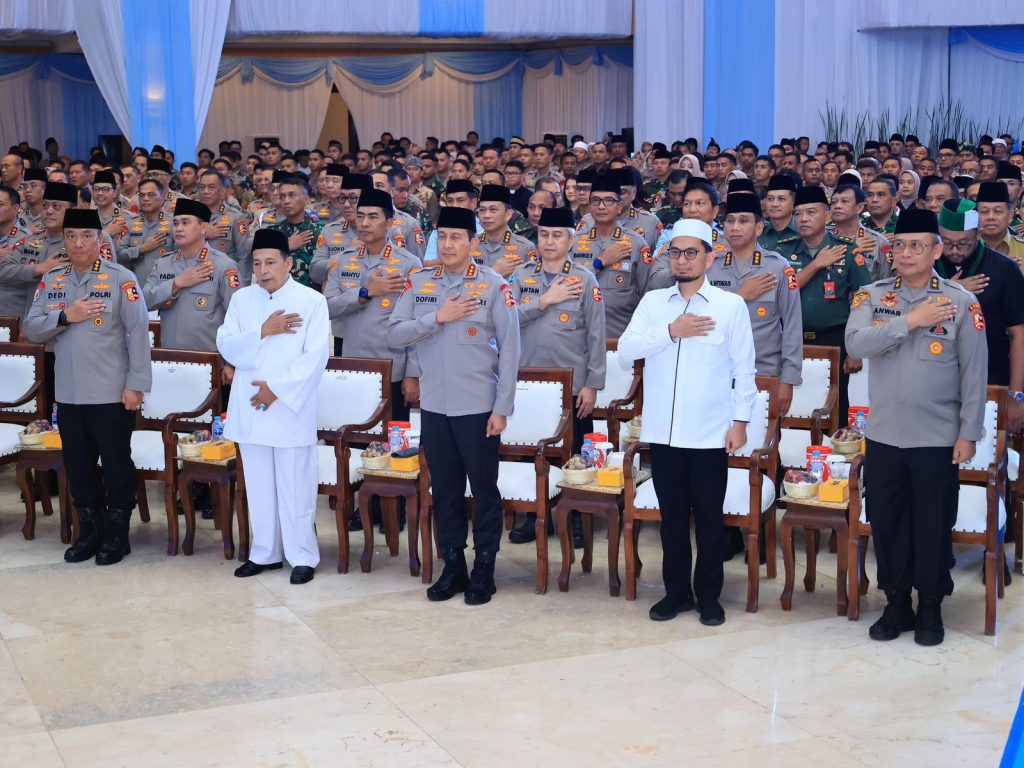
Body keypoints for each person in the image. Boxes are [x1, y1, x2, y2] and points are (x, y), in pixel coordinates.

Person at [845, 208, 987, 646]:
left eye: (917, 246)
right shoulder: (870, 296)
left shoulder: (961, 302)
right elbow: (855, 344)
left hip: (938, 438)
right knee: (888, 523)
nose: (906, 253)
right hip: (885, 435)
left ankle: (930, 606)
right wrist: (910, 321)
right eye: (900, 245)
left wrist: (968, 432)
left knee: (932, 524)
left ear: (937, 250)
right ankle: (896, 604)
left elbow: (974, 373)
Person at [619, 218, 757, 627]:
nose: (682, 260)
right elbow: (626, 351)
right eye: (676, 252)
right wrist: (670, 331)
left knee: (711, 522)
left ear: (709, 258)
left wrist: (740, 421)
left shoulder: (729, 306)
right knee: (672, 521)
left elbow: (744, 370)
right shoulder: (653, 304)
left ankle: (709, 597)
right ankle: (676, 592)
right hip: (663, 433)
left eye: (691, 252)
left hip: (710, 433)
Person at [387, 207, 520, 605]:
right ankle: (454, 566)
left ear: (473, 243)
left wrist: (502, 408)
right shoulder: (420, 282)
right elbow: (395, 333)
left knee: (483, 490)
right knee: (444, 490)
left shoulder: (495, 286)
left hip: (479, 407)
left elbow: (511, 350)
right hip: (434, 407)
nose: (447, 244)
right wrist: (437, 318)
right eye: (442, 236)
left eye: (456, 237)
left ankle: (485, 567)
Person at [24, 208, 152, 565]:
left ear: (100, 239)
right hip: (68, 393)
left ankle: (117, 534)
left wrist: (136, 385)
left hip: (111, 392)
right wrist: (66, 316)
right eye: (71, 236)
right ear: (63, 240)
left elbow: (139, 332)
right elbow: (31, 328)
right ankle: (90, 532)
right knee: (78, 467)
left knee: (116, 464)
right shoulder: (53, 280)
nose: (78, 243)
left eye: (86, 236)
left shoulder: (121, 278)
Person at [217, 228, 330, 585]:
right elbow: (226, 344)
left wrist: (276, 390)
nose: (263, 270)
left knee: (296, 487)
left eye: (270, 262)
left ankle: (302, 556)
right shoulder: (242, 299)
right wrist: (263, 330)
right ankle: (264, 553)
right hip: (251, 408)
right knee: (259, 487)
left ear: (288, 263)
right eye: (257, 263)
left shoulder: (311, 301)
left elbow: (315, 357)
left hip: (289, 409)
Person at [508, 206, 606, 547]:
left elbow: (596, 335)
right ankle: (533, 515)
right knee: (530, 452)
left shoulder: (585, 279)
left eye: (557, 235)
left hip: (572, 386)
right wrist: (544, 301)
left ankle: (577, 516)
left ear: (571, 240)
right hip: (528, 382)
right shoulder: (521, 276)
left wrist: (592, 384)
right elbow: (506, 320)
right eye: (544, 234)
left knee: (575, 455)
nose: (549, 241)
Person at [935, 199, 1024, 433]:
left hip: (990, 377)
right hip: (934, 379)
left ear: (978, 233)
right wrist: (950, 291)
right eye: (947, 243)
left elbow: (1019, 334)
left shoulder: (1004, 269)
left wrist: (1016, 395)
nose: (954, 251)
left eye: (963, 244)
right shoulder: (927, 267)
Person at [789, 185, 872, 418]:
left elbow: (863, 298)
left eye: (811, 212)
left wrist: (855, 349)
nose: (804, 218)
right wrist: (816, 264)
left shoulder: (846, 250)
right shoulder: (784, 250)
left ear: (827, 216)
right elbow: (781, 291)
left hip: (836, 338)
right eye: (798, 213)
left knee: (838, 404)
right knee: (792, 405)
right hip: (793, 339)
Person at [570, 174, 656, 338]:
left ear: (619, 206)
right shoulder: (574, 242)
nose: (601, 206)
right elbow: (567, 286)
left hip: (620, 336)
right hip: (579, 335)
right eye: (596, 200)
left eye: (609, 200)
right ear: (589, 205)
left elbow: (647, 293)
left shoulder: (636, 244)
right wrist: (600, 262)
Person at [473, 184, 536, 278]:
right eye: (482, 210)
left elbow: (532, 282)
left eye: (493, 210)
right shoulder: (470, 244)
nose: (486, 215)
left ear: (508, 214)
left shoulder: (525, 248)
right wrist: (494, 273)